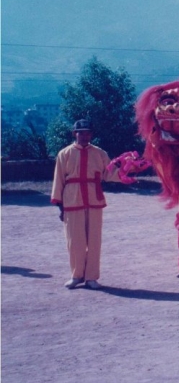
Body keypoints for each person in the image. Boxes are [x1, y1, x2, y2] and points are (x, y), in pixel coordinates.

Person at [51, 120, 124, 290]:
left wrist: (127, 173)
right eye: (81, 132)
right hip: (72, 199)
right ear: (74, 133)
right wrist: (60, 206)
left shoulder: (99, 153)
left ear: (91, 134)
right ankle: (77, 275)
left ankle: (91, 277)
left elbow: (109, 173)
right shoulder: (65, 153)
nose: (84, 136)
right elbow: (59, 179)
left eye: (87, 132)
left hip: (94, 198)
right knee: (75, 240)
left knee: (94, 239)